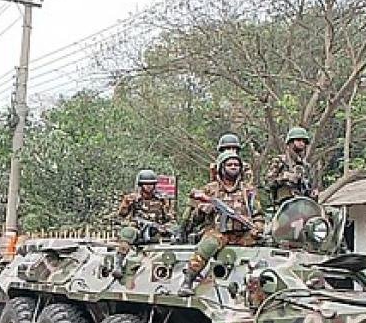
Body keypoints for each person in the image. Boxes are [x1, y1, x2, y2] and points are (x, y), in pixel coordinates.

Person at [179, 150, 264, 296]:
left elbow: (258, 215)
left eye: (236, 165)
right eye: (229, 164)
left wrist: (258, 228)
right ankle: (188, 281)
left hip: (243, 234)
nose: (233, 167)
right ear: (222, 168)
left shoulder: (248, 191)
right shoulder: (210, 189)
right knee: (208, 245)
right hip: (219, 232)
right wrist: (202, 210)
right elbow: (194, 220)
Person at [112, 169, 176, 279]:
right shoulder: (133, 198)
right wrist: (127, 203)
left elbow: (170, 219)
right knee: (128, 232)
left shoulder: (162, 200)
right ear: (141, 185)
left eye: (151, 184)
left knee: (174, 233)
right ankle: (118, 264)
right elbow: (121, 214)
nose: (149, 187)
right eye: (146, 184)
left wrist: (165, 228)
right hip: (137, 228)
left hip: (155, 230)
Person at [265, 126, 316, 205]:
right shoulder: (279, 161)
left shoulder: (305, 166)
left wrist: (313, 194)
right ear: (290, 142)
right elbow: (268, 183)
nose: (302, 143)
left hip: (302, 205)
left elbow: (309, 188)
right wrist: (284, 178)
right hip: (284, 205)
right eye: (298, 140)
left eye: (304, 141)